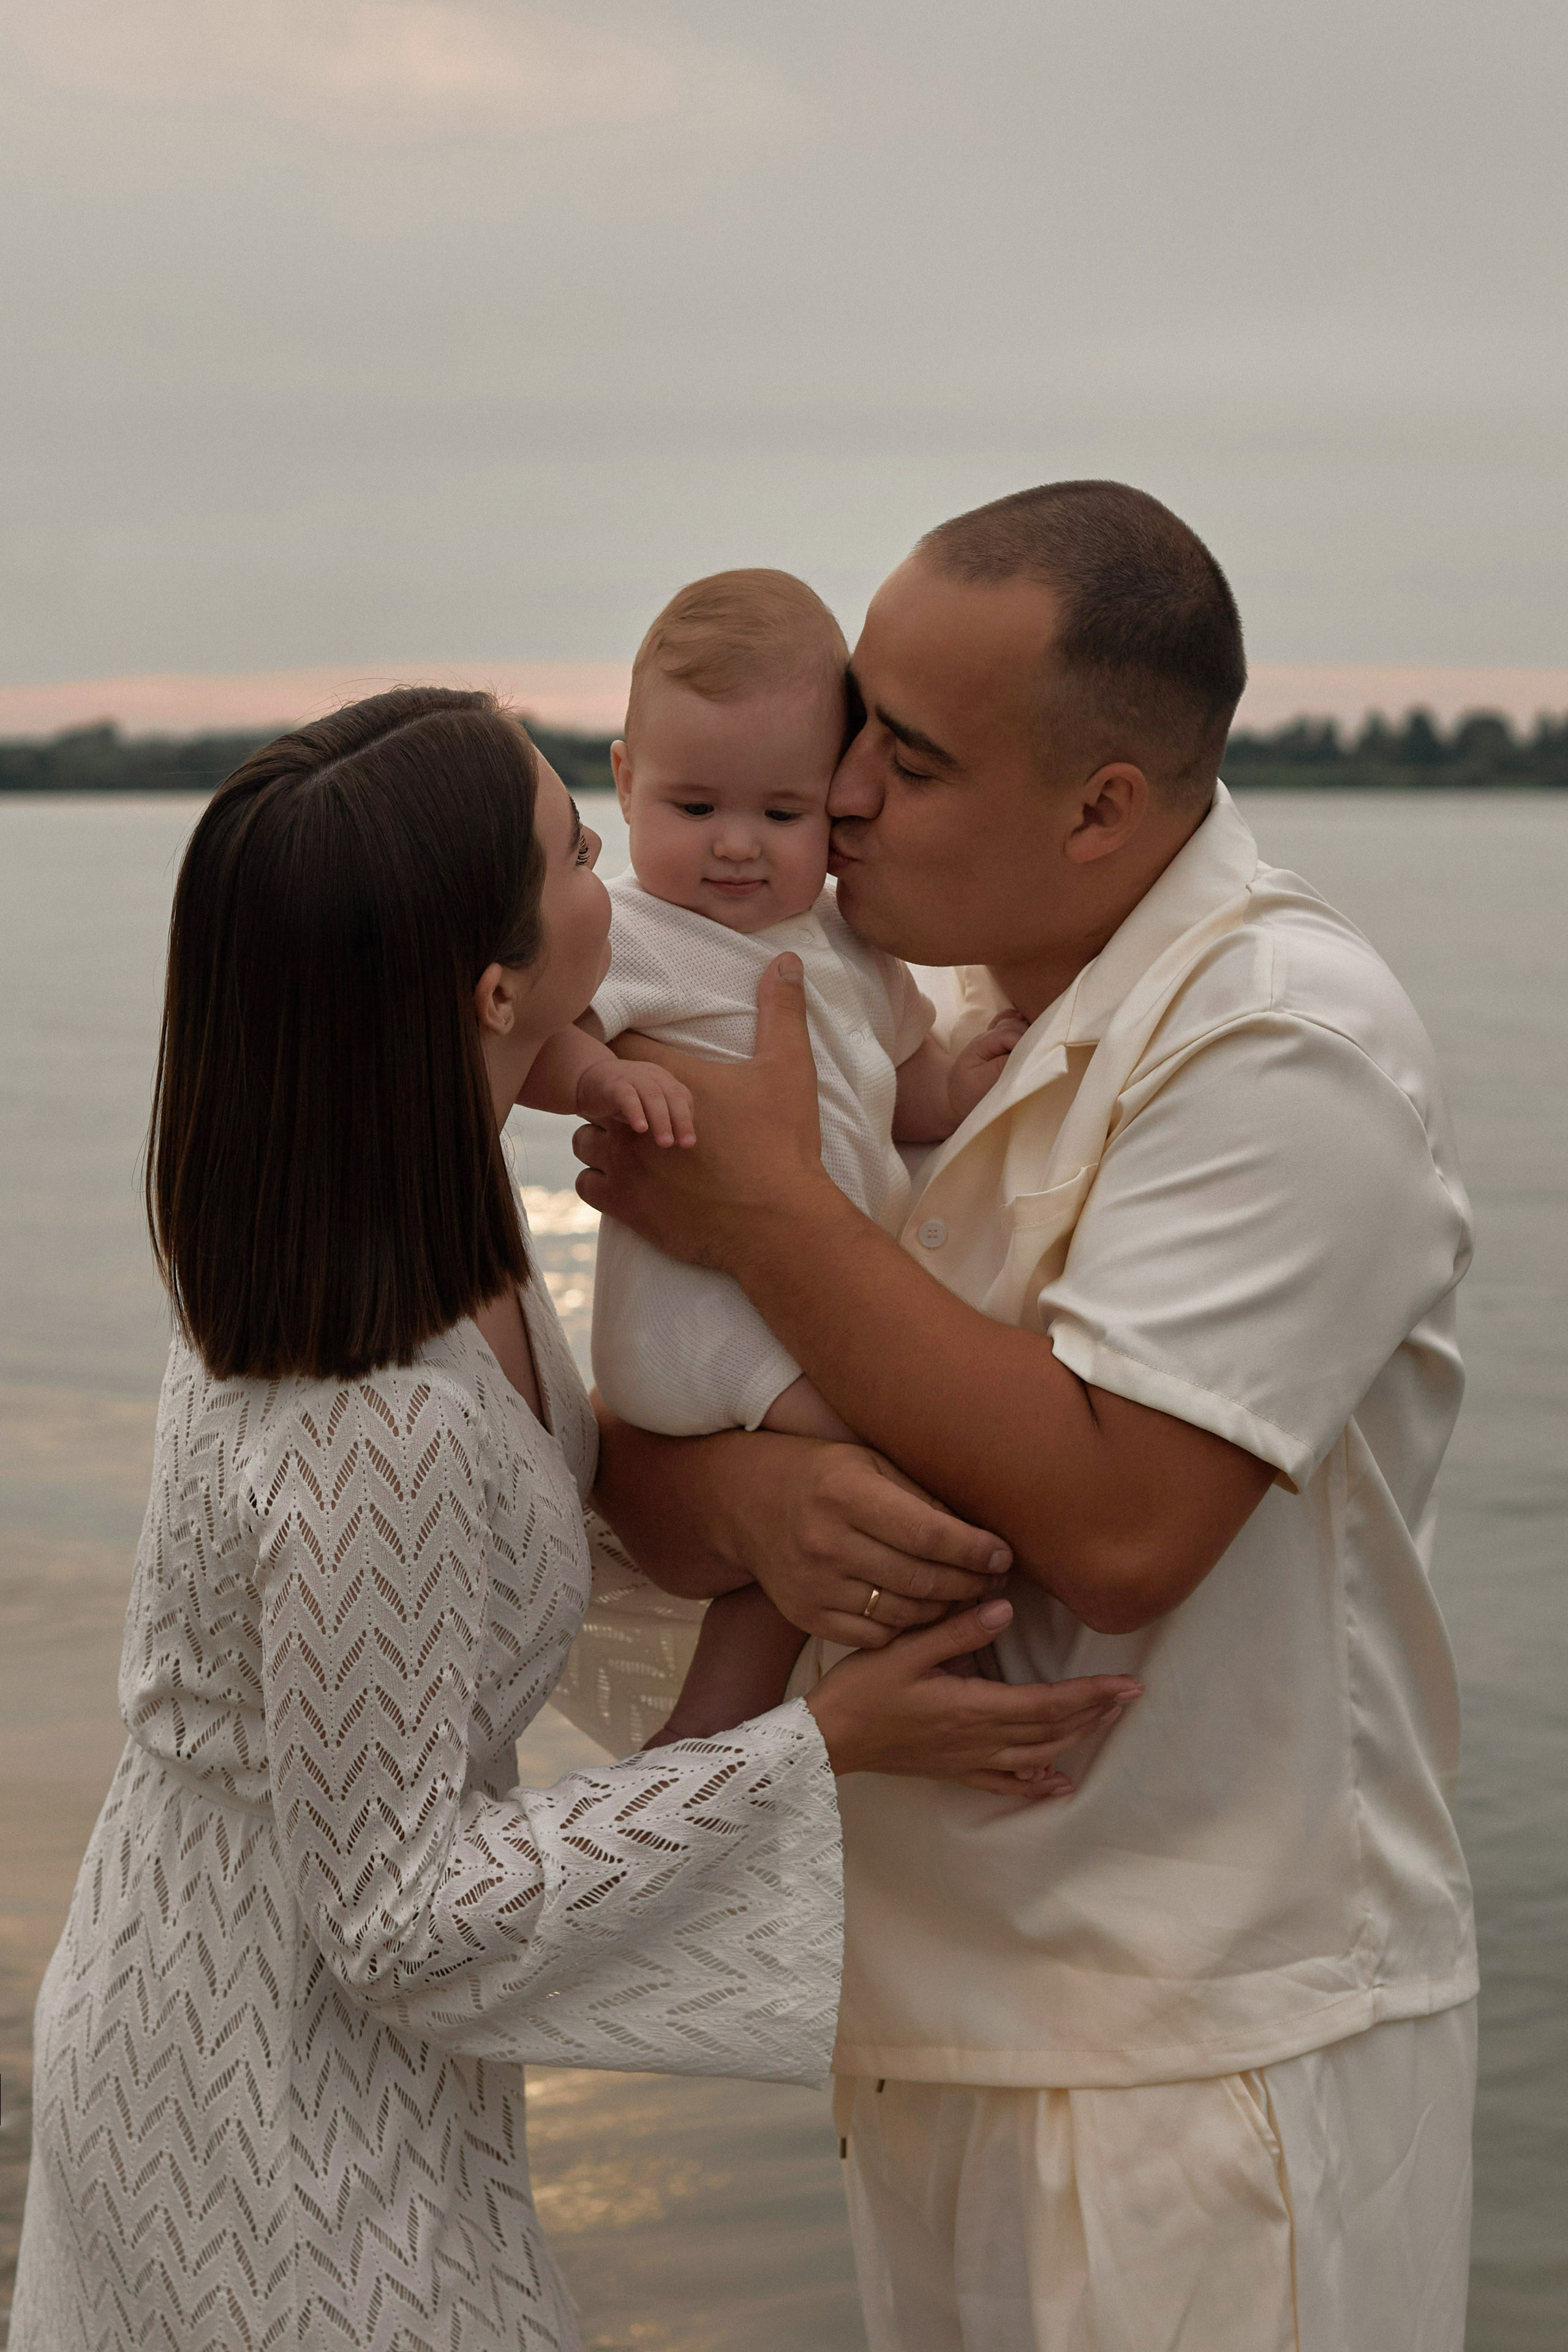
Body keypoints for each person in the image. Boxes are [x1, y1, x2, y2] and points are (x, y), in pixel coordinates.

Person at [7, 687, 1137, 2352]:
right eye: (574, 850)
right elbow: (399, 1917)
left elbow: (477, 1587)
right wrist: (821, 1751)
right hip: (253, 2104)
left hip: (295, 2024)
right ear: (490, 989)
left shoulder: (386, 1218)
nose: (617, 869)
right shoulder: (368, 1418)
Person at [575, 484, 1480, 2352]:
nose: (838, 802)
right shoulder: (908, 1026)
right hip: (937, 2030)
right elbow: (664, 1494)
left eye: (903, 759)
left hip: (1197, 2068)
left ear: (1102, 809)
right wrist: (756, 1509)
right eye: (849, 741)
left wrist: (764, 1212)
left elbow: (1125, 1526)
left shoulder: (1279, 1044)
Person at [524, 568, 1027, 1740]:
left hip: (798, 1309)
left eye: (783, 815)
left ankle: (707, 1754)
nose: (738, 848)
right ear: (625, 780)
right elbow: (540, 1043)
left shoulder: (846, 940)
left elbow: (893, 1081)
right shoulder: (640, 934)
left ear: (834, 806)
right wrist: (606, 1078)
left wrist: (955, 1084)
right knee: (912, 1465)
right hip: (704, 1332)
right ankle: (940, 1676)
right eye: (696, 810)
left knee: (790, 1559)